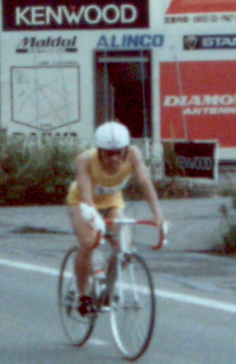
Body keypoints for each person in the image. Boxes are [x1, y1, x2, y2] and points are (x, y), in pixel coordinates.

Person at [65, 121, 164, 316]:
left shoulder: (134, 154)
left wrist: (158, 216)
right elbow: (85, 194)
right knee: (89, 242)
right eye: (109, 153)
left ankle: (107, 292)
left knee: (123, 249)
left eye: (120, 152)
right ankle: (83, 294)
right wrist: (94, 218)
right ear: (99, 151)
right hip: (82, 203)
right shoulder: (85, 160)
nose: (115, 158)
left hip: (112, 202)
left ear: (127, 149)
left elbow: (144, 182)